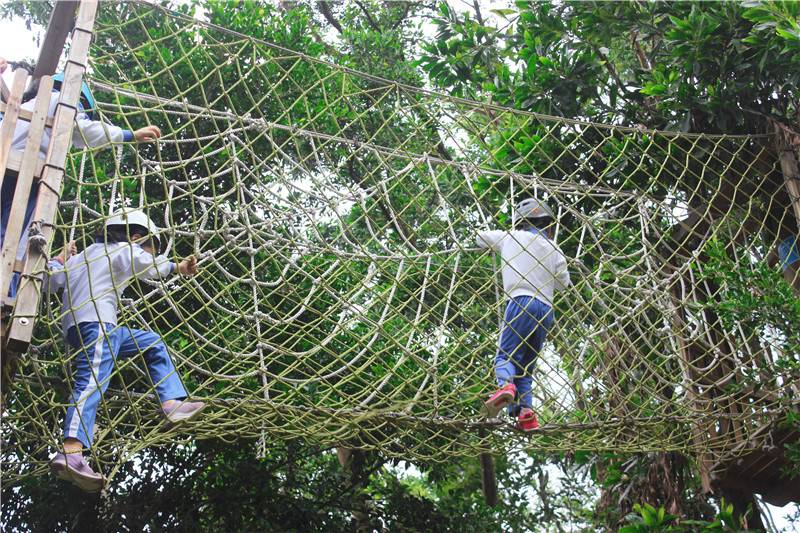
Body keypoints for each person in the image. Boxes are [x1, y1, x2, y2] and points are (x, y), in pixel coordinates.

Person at [46, 208, 204, 492]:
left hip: (84, 328)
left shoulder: (82, 256)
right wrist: (178, 267)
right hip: (97, 324)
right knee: (92, 382)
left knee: (152, 343)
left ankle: (171, 404)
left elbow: (51, 281)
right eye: (147, 247)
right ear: (134, 238)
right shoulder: (123, 249)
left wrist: (59, 259)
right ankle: (71, 450)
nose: (147, 253)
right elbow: (148, 266)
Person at [0, 57, 162, 297]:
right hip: (32, 170)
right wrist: (129, 135)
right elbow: (84, 130)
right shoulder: (65, 103)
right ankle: (7, 290)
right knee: (16, 237)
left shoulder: (24, 106)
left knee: (7, 230)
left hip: (7, 161)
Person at [476, 198, 571, 431]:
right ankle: (526, 413)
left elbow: (480, 238)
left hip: (521, 301)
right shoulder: (555, 248)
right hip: (546, 311)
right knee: (527, 368)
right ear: (549, 224)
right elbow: (563, 284)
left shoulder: (511, 237)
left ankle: (506, 386)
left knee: (505, 357)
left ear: (521, 222)